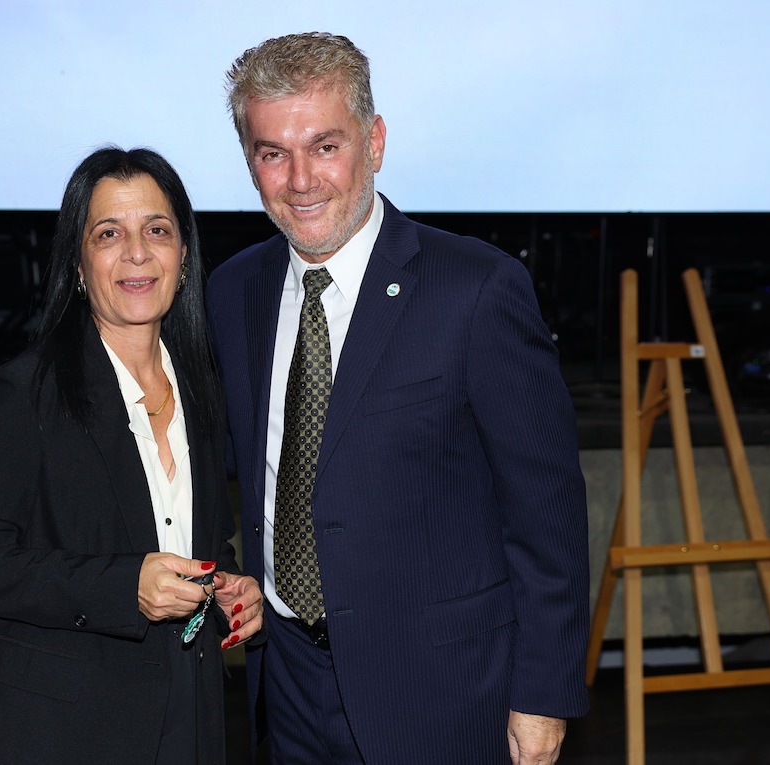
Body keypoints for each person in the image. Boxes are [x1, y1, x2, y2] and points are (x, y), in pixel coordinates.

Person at [206, 32, 589, 764]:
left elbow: (548, 514)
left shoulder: (476, 290)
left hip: (441, 694)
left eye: (325, 146)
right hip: (285, 684)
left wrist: (543, 693)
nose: (300, 180)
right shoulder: (234, 291)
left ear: (374, 141)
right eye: (272, 153)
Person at [0, 146, 263, 764]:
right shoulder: (25, 392)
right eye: (109, 233)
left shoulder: (201, 390)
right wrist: (123, 587)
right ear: (79, 264)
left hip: (187, 713)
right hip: (61, 729)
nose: (137, 252)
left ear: (184, 254)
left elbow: (199, 543)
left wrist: (229, 587)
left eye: (157, 230)